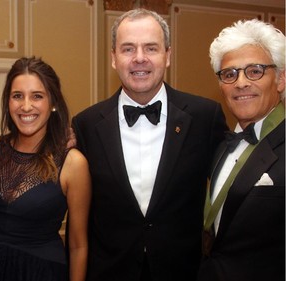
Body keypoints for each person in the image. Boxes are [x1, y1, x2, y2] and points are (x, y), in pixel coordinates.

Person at [72, 8, 228, 281]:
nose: (139, 58)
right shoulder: (85, 125)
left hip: (183, 272)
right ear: (113, 58)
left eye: (151, 48)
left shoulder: (205, 117)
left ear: (168, 55)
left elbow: (232, 187)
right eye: (128, 49)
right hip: (110, 273)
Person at [0, 57, 91, 281]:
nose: (26, 106)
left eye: (37, 96)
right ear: (8, 101)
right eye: (17, 96)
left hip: (40, 271)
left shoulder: (73, 163)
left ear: (53, 102)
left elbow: (78, 246)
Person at [198, 19, 285, 281]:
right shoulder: (219, 146)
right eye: (230, 74)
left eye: (255, 71)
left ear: (281, 79)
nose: (241, 83)